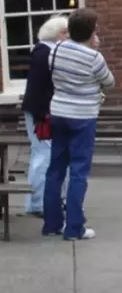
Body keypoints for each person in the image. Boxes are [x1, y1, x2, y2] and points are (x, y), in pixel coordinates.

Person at [43, 8, 114, 241]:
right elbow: (109, 82)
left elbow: (52, 74)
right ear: (91, 32)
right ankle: (74, 228)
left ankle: (52, 223)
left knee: (55, 169)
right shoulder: (94, 57)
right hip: (83, 117)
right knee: (79, 171)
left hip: (59, 112)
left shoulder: (56, 50)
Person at [20, 15, 69, 217]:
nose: (68, 37)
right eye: (66, 32)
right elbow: (45, 88)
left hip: (42, 111)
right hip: (42, 113)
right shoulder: (45, 53)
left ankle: (42, 201)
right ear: (57, 34)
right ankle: (38, 203)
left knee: (44, 156)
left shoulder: (45, 52)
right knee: (43, 157)